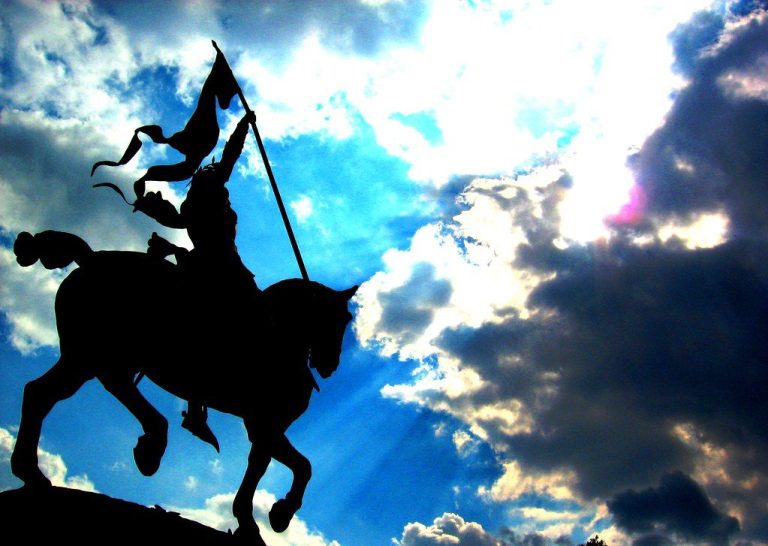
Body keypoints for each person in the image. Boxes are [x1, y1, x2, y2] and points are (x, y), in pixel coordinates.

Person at [133, 111, 261, 451]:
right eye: (221, 187)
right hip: (217, 267)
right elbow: (229, 158)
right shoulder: (209, 194)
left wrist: (243, 128)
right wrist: (242, 127)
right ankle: (208, 395)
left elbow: (175, 219)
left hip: (218, 265)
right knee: (237, 317)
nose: (227, 193)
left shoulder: (192, 206)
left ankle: (200, 404)